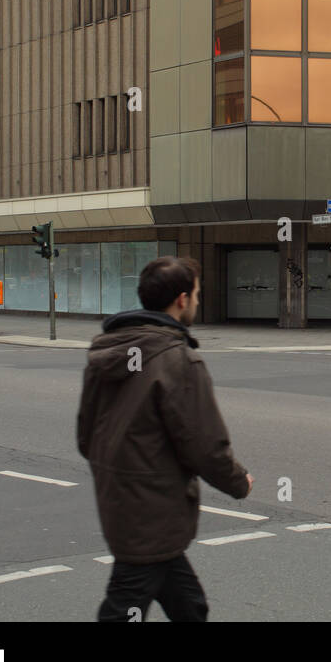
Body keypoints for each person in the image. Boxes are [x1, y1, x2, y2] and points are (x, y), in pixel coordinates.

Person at [77, 256, 253, 622]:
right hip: (153, 511)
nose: (199, 302)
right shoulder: (177, 360)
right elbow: (205, 445)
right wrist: (239, 482)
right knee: (127, 606)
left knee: (190, 607)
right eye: (198, 295)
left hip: (122, 502)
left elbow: (85, 435)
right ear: (182, 300)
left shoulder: (108, 351)